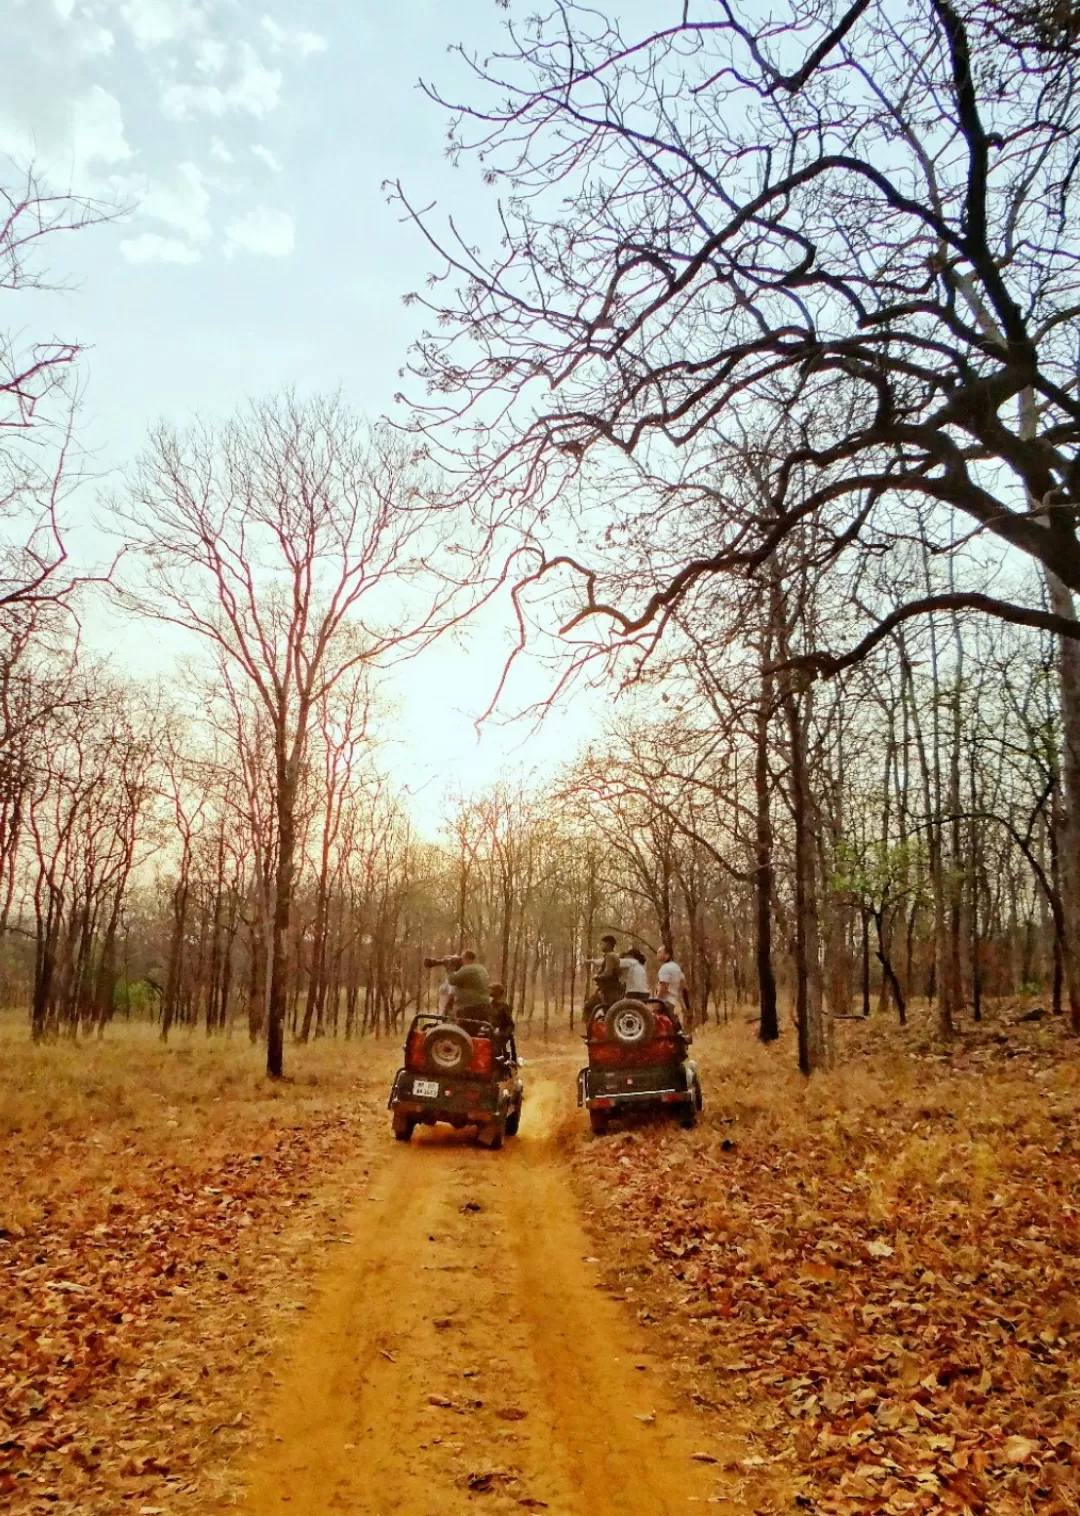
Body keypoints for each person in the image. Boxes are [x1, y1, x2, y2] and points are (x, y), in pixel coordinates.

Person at [582, 934, 625, 1029]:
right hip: (612, 990)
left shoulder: (610, 955)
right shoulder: (613, 955)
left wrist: (597, 977)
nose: (601, 946)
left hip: (609, 990)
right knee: (609, 1013)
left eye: (603, 944)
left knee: (589, 1006)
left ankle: (591, 1031)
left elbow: (608, 973)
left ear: (608, 945)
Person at [655, 946, 690, 1027]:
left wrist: (657, 1002)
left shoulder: (665, 968)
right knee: (669, 1023)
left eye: (660, 952)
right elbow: (683, 983)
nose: (657, 954)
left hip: (664, 1002)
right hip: (673, 1000)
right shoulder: (675, 966)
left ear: (667, 954)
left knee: (660, 1026)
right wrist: (674, 991)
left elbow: (664, 987)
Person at [447, 949, 491, 1013]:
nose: (460, 961)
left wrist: (449, 969)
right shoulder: (482, 968)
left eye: (461, 958)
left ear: (466, 958)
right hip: (485, 1006)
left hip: (469, 1007)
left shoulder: (466, 969)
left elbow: (451, 980)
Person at [488, 982, 516, 1062]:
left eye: (492, 990)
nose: (490, 991)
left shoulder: (504, 1007)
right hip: (489, 1033)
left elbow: (510, 1025)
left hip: (500, 1036)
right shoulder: (489, 1005)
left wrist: (502, 1034)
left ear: (497, 992)